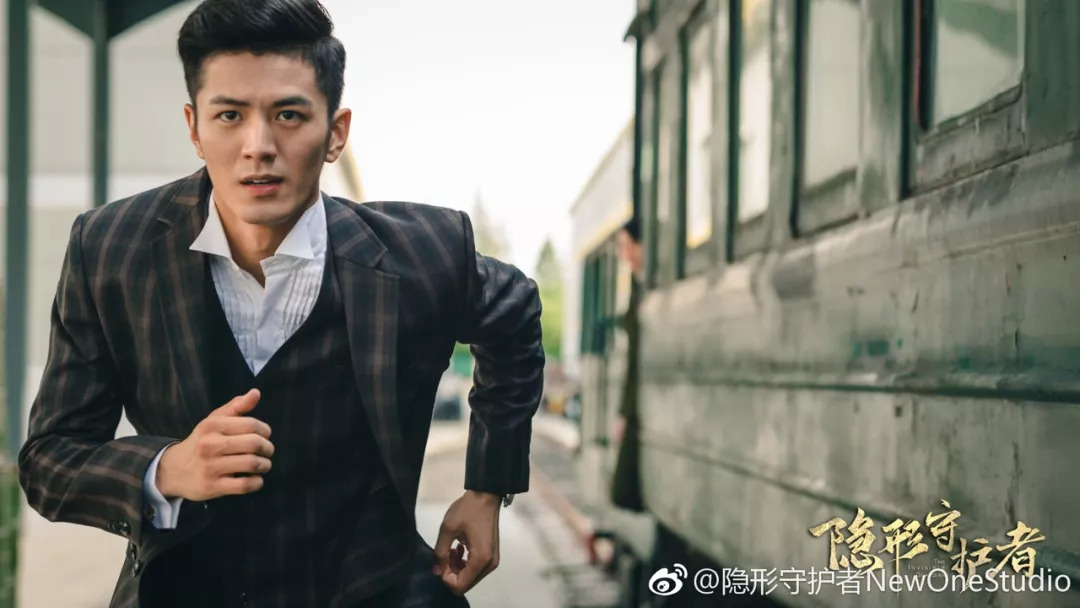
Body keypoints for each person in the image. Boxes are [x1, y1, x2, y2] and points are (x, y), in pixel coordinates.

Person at [17, 0, 544, 606]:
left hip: (375, 590)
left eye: (289, 115)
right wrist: (167, 469)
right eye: (230, 115)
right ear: (194, 129)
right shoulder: (111, 249)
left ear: (336, 133)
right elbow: (49, 460)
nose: (258, 146)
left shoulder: (422, 253)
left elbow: (516, 313)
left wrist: (487, 487)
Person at [610, 218, 644, 512]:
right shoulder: (636, 286)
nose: (624, 255)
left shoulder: (645, 287)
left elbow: (635, 361)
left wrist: (624, 412)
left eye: (626, 246)